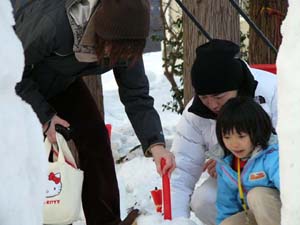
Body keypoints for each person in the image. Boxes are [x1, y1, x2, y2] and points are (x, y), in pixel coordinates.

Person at [14, 0, 175, 224]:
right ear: (100, 31)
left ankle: (105, 220)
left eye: (127, 54)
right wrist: (44, 116)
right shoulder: (55, 25)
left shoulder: (126, 41)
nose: (117, 58)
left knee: (94, 137)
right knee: (23, 153)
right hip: (13, 83)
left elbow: (136, 94)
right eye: (114, 50)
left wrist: (155, 144)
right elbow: (9, 67)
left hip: (59, 82)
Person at [170, 39, 277, 225]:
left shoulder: (274, 90)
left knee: (257, 196)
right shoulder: (194, 114)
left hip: (276, 179)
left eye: (219, 97)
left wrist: (231, 156)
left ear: (236, 86)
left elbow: (292, 146)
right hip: (234, 180)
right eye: (204, 97)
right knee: (203, 200)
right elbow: (182, 171)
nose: (212, 104)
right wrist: (175, 221)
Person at [214, 96, 280, 225]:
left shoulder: (271, 156)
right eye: (227, 137)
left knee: (257, 195)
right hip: (252, 214)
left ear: (257, 131)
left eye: (241, 136)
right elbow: (226, 205)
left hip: (279, 213)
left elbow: (290, 191)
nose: (234, 144)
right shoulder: (225, 164)